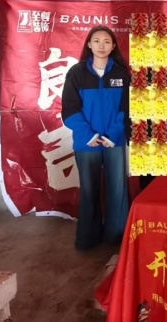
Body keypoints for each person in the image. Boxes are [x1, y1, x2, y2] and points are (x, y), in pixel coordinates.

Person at [62, 26, 131, 250]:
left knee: (117, 190)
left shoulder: (121, 74)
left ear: (113, 46)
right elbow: (70, 109)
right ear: (89, 45)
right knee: (89, 190)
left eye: (107, 41)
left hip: (114, 142)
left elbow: (127, 108)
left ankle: (117, 236)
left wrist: (113, 134)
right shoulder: (77, 73)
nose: (102, 46)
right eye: (97, 41)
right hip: (86, 142)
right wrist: (88, 134)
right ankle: (88, 238)